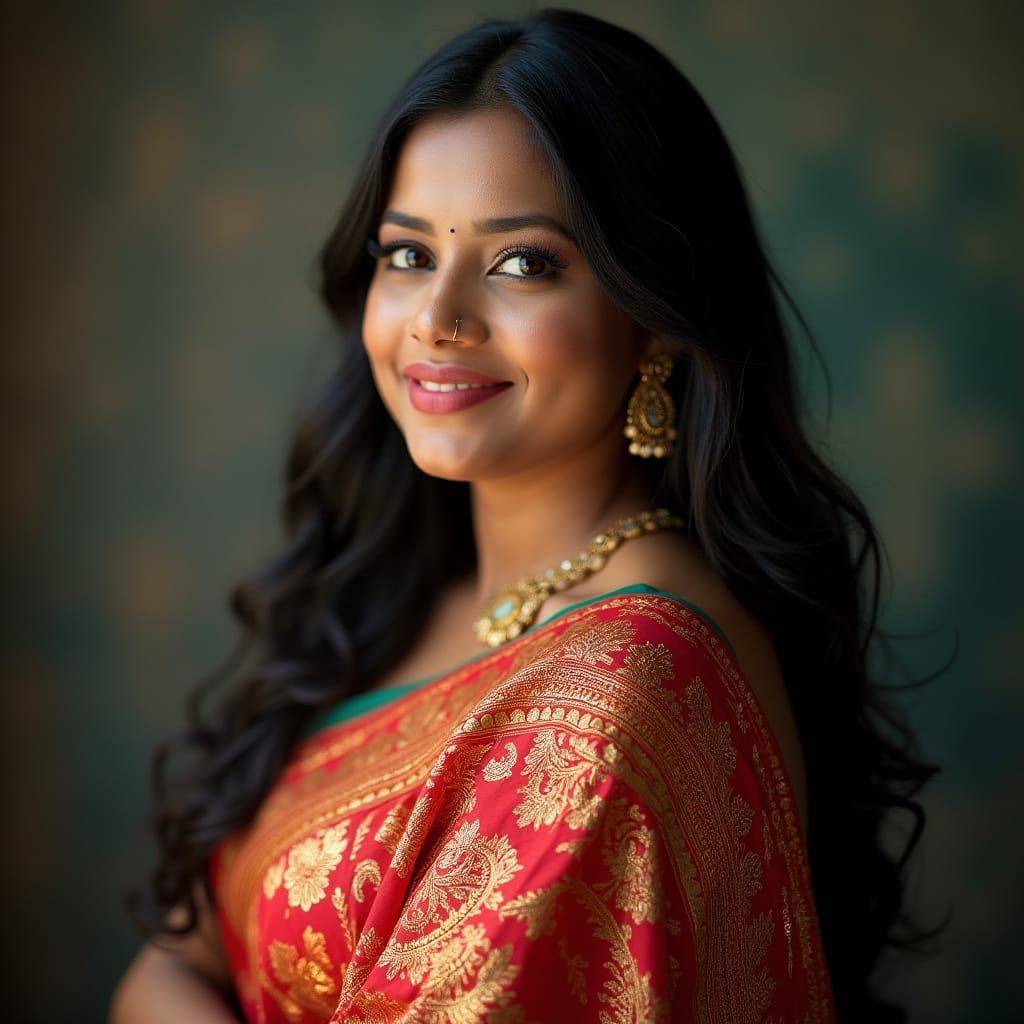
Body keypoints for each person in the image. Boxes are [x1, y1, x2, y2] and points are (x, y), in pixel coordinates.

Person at [111, 9, 941, 1023]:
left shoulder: (630, 679)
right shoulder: (393, 595)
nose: (438, 318)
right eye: (406, 254)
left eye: (522, 264)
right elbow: (167, 963)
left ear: (657, 319)